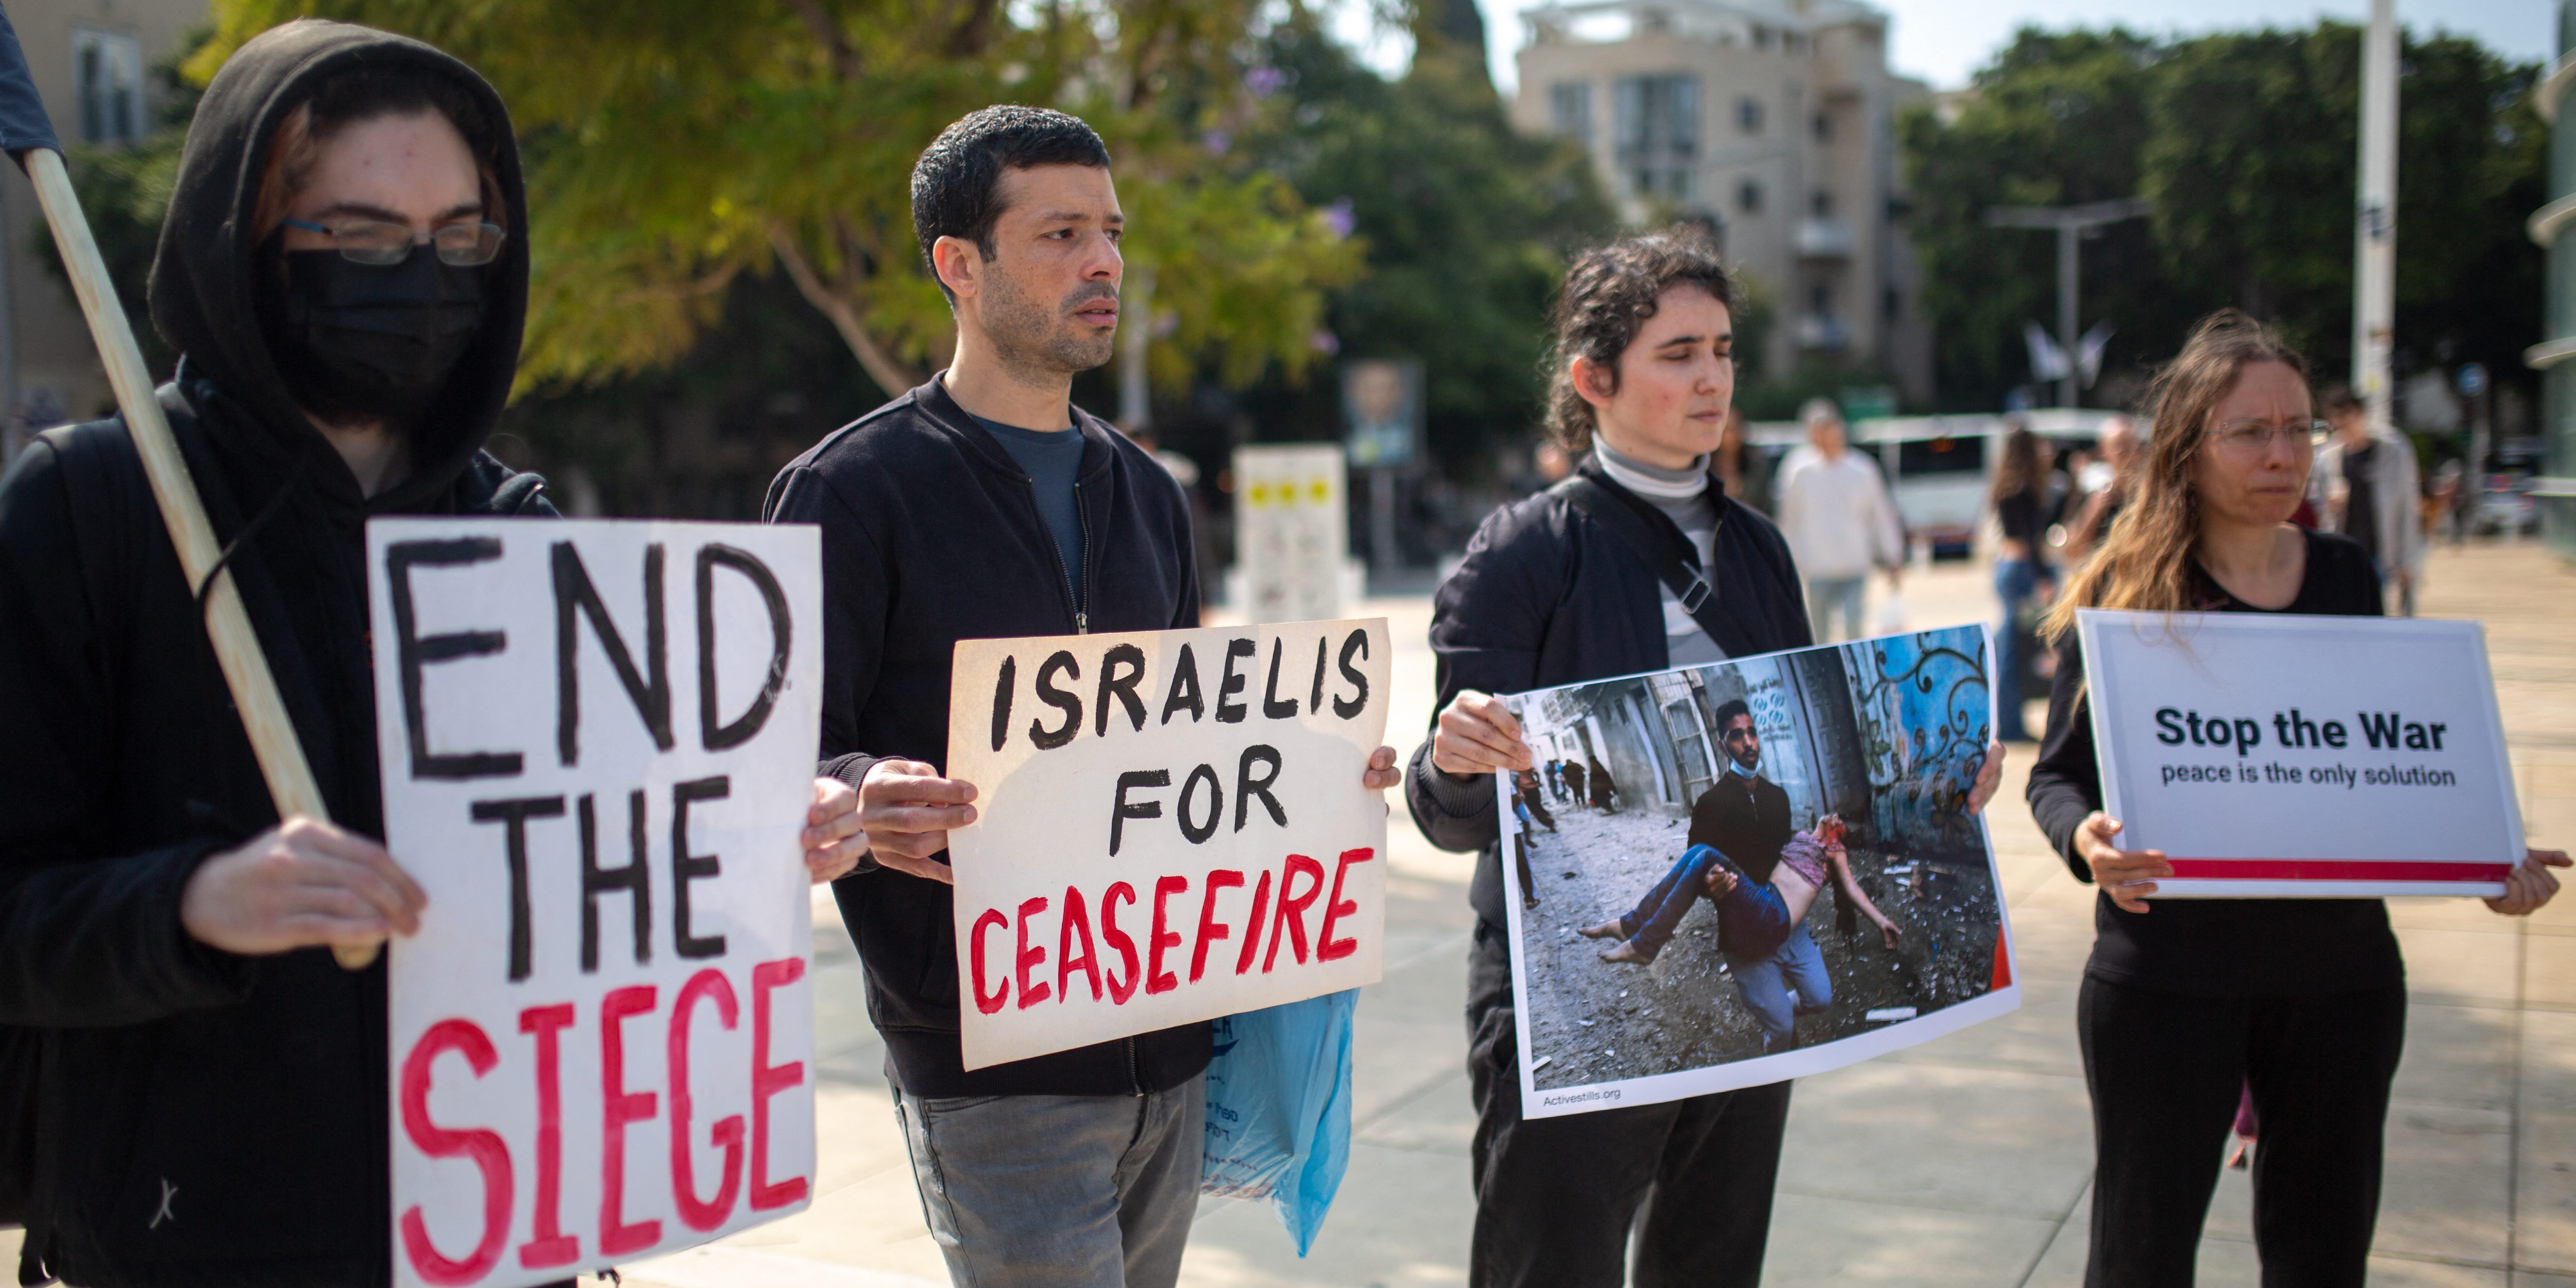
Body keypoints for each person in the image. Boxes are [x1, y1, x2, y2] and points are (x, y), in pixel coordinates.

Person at [0, 22, 869, 1285]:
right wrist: (192, 906)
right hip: (186, 1243)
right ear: (243, 245)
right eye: (358, 239)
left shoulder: (514, 532)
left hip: (497, 1243)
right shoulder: (91, 512)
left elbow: (587, 857)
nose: (419, 275)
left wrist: (736, 840)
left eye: (461, 240)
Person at [763, 106, 1397, 1288]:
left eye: (1110, 231)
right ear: (960, 265)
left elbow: (1189, 737)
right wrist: (859, 795)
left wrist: (1321, 771)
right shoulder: (847, 493)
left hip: (1170, 1039)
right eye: (1060, 234)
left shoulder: (1150, 494)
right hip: (988, 1059)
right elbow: (784, 758)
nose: (1104, 261)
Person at [1407, 229, 2005, 1287]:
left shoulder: (1759, 548)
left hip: (1740, 970)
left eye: (1722, 349)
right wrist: (1459, 758)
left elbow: (1810, 775)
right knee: (1550, 1262)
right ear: (1593, 378)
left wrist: (1938, 779)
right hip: (1565, 1001)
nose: (1712, 377)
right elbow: (1445, 809)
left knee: (1712, 1259)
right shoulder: (1523, 552)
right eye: (1678, 352)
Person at [2025, 310, 2569, 1286]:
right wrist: (2088, 846)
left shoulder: (2349, 578)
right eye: (2252, 432)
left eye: (2300, 429)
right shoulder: (2127, 592)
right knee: (2139, 1259)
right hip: (2167, 985)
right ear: (2190, 450)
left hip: (2340, 984)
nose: (2285, 456)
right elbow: (2056, 777)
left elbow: (2375, 760)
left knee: (2323, 1258)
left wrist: (2481, 851)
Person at [1775, 397, 1905, 641]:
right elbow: (1789, 520)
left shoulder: (1862, 469)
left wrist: (1892, 555)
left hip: (1854, 564)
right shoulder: (1798, 470)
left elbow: (1880, 514)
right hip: (1817, 568)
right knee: (1818, 636)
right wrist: (1787, 561)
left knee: (1854, 630)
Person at [2312, 385, 2424, 616]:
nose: (2341, 424)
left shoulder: (2394, 452)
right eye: (2334, 418)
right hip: (2341, 555)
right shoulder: (2328, 457)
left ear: (2361, 414)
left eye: (2346, 415)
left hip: (2382, 554)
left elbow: (2408, 507)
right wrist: (2328, 505)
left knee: (2379, 619)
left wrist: (2408, 561)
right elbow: (2315, 503)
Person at [1988, 426, 2058, 741]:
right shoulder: (2025, 489)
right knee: (2015, 651)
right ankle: (2010, 724)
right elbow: (2032, 540)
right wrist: (2044, 578)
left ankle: (2006, 720)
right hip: (2022, 570)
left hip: (2006, 565)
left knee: (2008, 648)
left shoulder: (2004, 484)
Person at [2063, 414, 2140, 564]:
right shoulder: (2096, 496)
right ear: (2105, 453)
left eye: (2134, 447)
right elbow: (2071, 552)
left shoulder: (2148, 497)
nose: (2130, 456)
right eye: (2121, 449)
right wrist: (2094, 513)